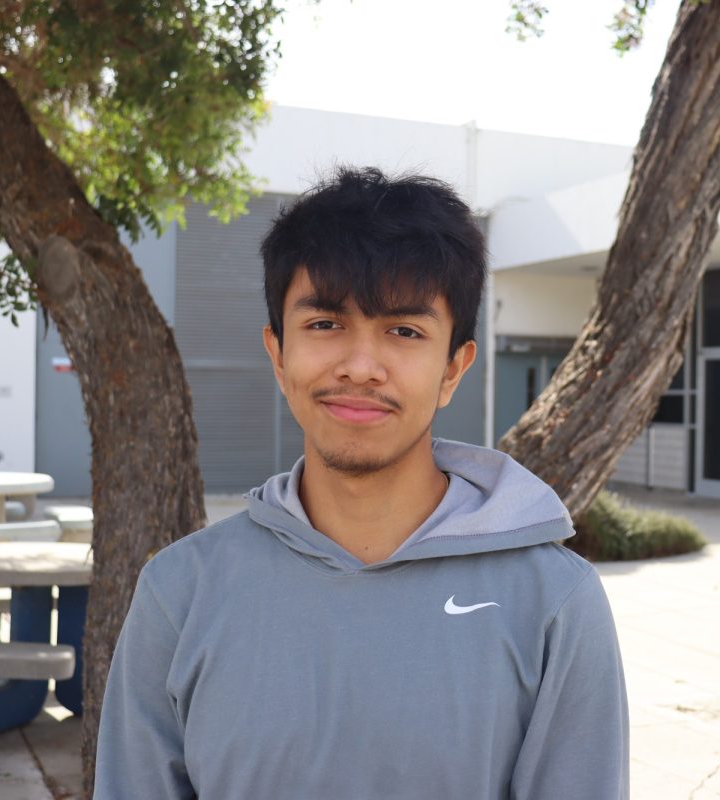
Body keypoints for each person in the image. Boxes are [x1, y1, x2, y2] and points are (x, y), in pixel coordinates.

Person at [94, 168, 628, 799]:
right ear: (278, 354)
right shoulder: (179, 595)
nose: (360, 367)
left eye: (404, 331)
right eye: (325, 324)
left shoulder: (555, 604)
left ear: (454, 369)